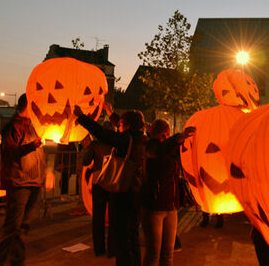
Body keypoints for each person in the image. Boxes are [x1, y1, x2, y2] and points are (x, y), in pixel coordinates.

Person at [75, 106, 147, 266]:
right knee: (133, 236)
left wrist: (81, 117)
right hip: (136, 192)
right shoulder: (141, 139)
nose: (118, 127)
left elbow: (102, 133)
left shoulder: (125, 140)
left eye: (120, 124)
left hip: (123, 192)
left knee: (123, 237)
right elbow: (117, 133)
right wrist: (112, 114)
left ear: (127, 126)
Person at [0, 93, 46, 266]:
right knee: (12, 226)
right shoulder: (13, 127)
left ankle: (17, 260)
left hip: (34, 182)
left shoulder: (33, 126)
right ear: (27, 106)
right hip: (20, 182)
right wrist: (33, 145)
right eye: (35, 105)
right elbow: (10, 153)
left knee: (24, 226)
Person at [140, 119, 195, 266]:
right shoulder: (151, 147)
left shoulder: (170, 149)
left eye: (168, 134)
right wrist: (178, 138)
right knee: (153, 255)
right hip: (154, 207)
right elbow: (162, 149)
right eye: (165, 135)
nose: (166, 137)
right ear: (158, 134)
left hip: (171, 207)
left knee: (168, 254)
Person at [81, 118, 118, 257]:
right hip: (114, 181)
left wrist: (88, 149)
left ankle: (99, 248)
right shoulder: (117, 143)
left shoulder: (96, 145)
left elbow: (86, 161)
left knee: (98, 217)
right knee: (114, 216)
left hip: (98, 182)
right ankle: (112, 249)